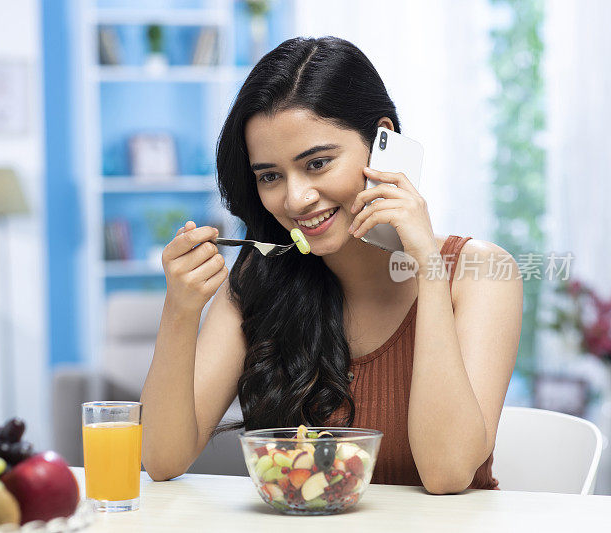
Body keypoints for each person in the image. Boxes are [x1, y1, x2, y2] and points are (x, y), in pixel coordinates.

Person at [140, 36, 523, 494]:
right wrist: (179, 311)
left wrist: (427, 267)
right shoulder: (261, 275)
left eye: (318, 163)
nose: (295, 198)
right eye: (270, 176)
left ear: (383, 141)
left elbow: (446, 475)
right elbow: (161, 459)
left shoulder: (480, 272)